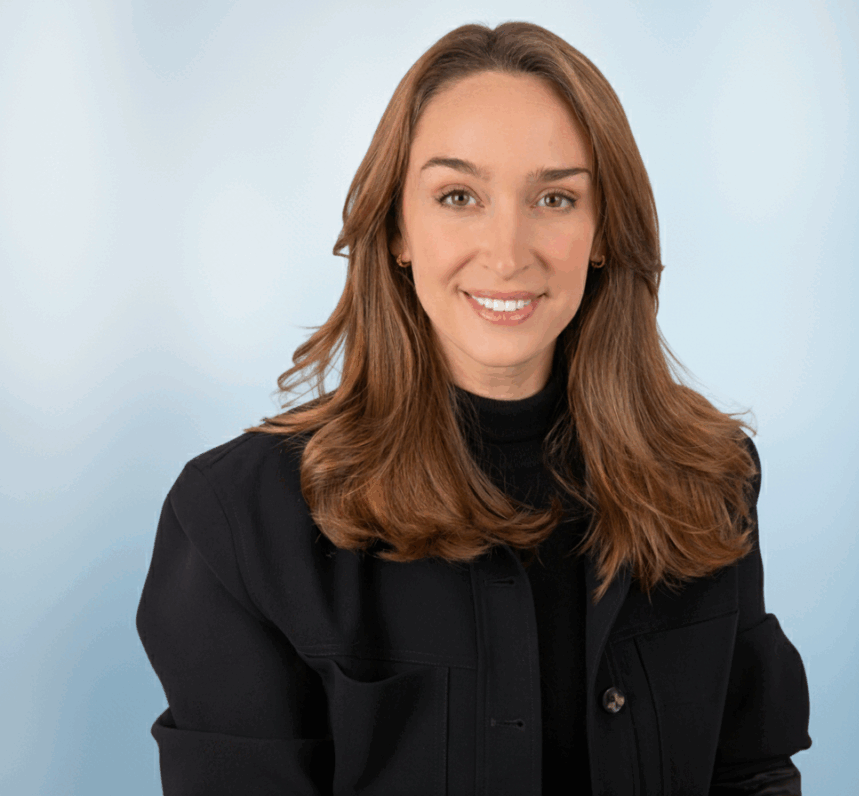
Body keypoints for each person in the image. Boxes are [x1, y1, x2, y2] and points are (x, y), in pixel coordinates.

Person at [136, 20, 811, 796]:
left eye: (555, 197)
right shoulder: (238, 519)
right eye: (459, 196)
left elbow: (750, 772)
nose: (507, 250)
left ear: (601, 234)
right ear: (396, 228)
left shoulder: (708, 481)